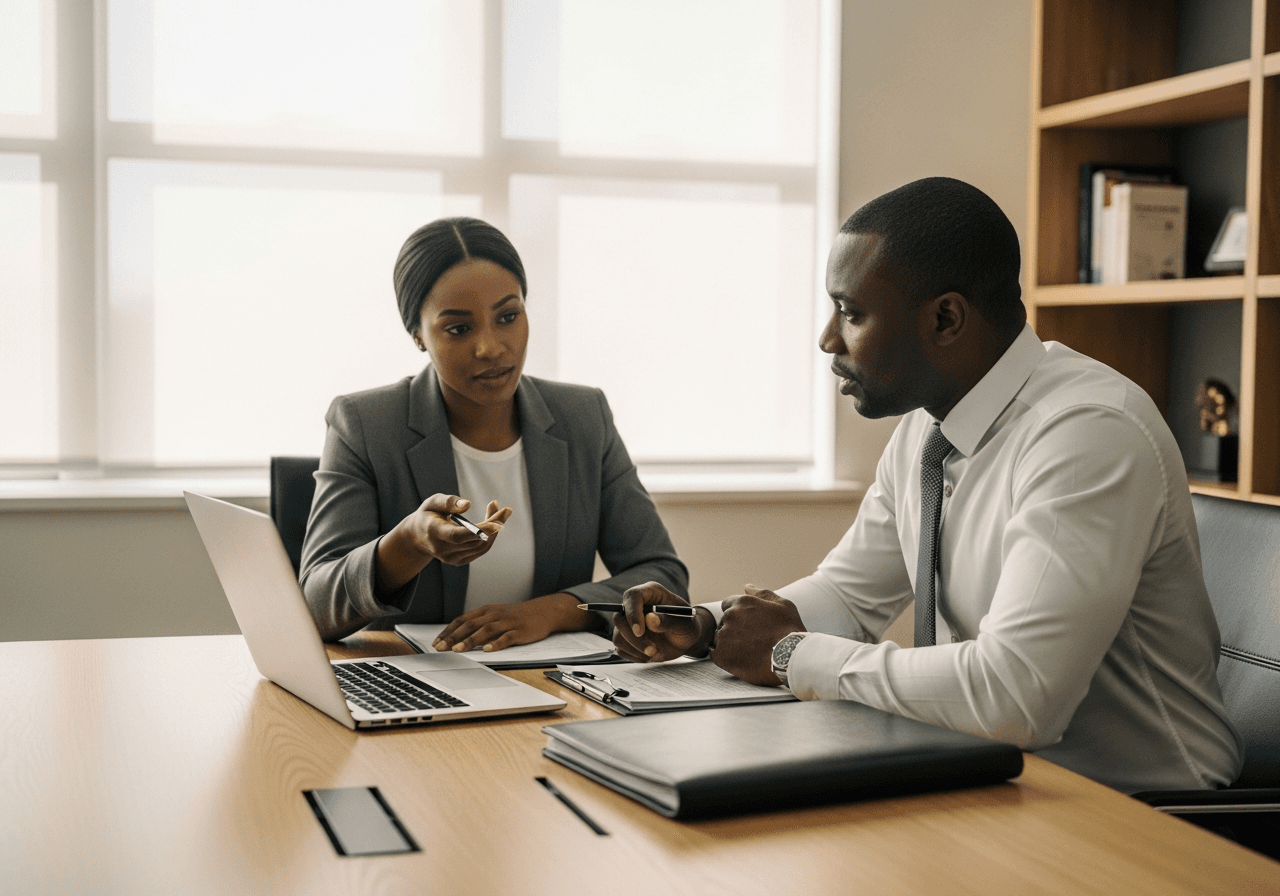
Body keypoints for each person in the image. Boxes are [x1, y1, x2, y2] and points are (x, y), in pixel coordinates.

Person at [612, 177, 1243, 794]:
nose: (829, 340)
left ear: (945, 319)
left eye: (851, 312)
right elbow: (851, 596)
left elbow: (1016, 695)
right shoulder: (929, 427)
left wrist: (789, 655)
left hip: (1147, 813)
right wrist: (706, 624)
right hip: (1003, 782)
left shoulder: (1086, 435)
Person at [300, 217, 688, 646]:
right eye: (459, 328)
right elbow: (315, 606)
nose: (491, 347)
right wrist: (409, 542)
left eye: (507, 316)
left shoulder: (583, 417)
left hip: (554, 685)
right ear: (417, 335)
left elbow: (663, 576)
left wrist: (553, 611)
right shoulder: (365, 424)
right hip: (415, 684)